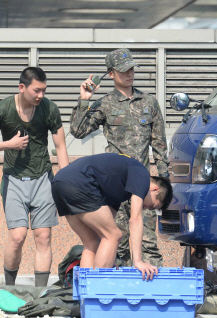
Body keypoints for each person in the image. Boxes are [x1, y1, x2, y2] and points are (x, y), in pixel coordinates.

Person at [70, 48, 170, 268]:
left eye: (132, 69)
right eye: (124, 70)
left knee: (148, 243)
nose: (129, 74)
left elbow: (159, 145)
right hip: (114, 188)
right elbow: (78, 131)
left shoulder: (149, 102)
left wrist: (166, 181)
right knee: (118, 244)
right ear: (111, 74)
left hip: (141, 188)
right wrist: (84, 100)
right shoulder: (105, 103)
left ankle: (152, 296)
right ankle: (119, 296)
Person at [0, 67, 69, 287]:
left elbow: (61, 146)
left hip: (43, 178)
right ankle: (9, 288)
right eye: (37, 90)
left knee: (43, 237)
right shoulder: (3, 108)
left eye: (44, 90)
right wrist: (9, 144)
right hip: (14, 179)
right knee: (17, 237)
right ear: (22, 87)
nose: (41, 95)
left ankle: (40, 294)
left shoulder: (49, 109)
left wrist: (65, 182)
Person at [51, 153, 173, 280]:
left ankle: (85, 295)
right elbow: (135, 219)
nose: (146, 208)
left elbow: (102, 231)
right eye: (152, 206)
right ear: (155, 189)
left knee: (91, 242)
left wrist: (107, 257)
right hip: (78, 182)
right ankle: (97, 291)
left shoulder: (119, 189)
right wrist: (138, 261)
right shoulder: (142, 175)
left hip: (60, 183)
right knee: (114, 235)